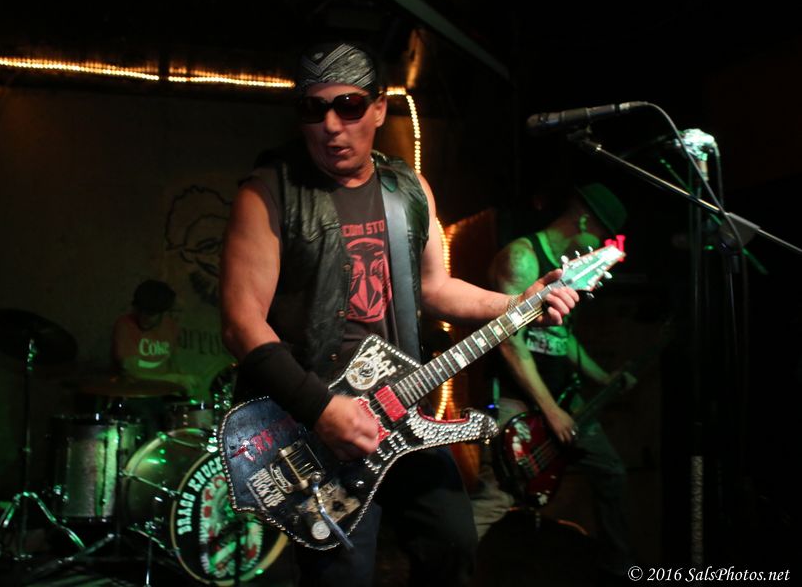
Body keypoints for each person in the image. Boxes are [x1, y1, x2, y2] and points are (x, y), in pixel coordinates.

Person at [219, 41, 579, 587]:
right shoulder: (269, 193)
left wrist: (518, 304)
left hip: (401, 409)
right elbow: (240, 323)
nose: (331, 125)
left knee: (454, 546)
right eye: (314, 109)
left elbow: (435, 288)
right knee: (342, 576)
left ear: (379, 108)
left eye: (348, 106)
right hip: (315, 423)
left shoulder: (407, 189)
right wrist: (321, 408)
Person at [479, 182, 636, 580]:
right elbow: (511, 343)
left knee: (611, 471)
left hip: (564, 398)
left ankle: (618, 569)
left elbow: (561, 338)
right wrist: (549, 411)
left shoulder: (570, 268)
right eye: (601, 235)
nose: (602, 246)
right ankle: (446, 573)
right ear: (583, 221)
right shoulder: (522, 257)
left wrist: (604, 378)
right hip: (516, 399)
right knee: (497, 497)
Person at [111, 279, 201, 432]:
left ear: (163, 312)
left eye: (150, 314)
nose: (143, 317)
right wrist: (173, 379)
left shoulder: (170, 327)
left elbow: (173, 365)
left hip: (162, 396)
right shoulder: (124, 325)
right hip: (135, 398)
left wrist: (184, 382)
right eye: (140, 311)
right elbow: (132, 372)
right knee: (148, 415)